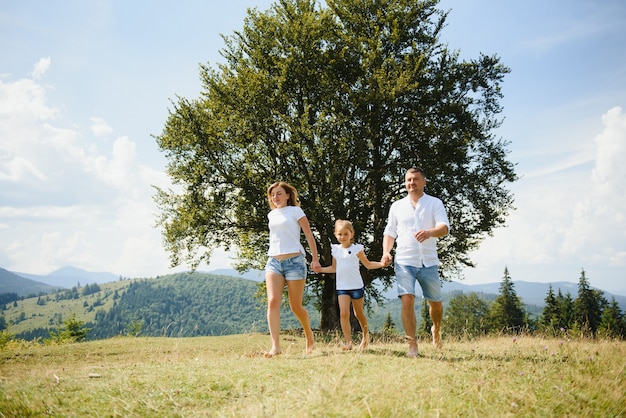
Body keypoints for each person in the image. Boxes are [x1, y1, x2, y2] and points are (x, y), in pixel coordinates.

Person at [381, 167, 450, 357]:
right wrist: (386, 252)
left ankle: (436, 329)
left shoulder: (434, 203)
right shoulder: (397, 206)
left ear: (424, 182)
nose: (412, 183)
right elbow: (389, 232)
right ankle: (412, 345)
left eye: (416, 179)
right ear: (405, 183)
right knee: (407, 300)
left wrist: (430, 232)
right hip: (404, 260)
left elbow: (444, 228)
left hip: (428, 261)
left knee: (435, 304)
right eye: (409, 180)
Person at [264, 181, 320, 357]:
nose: (275, 197)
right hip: (274, 261)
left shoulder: (296, 211)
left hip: (295, 262)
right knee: (273, 301)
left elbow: (309, 235)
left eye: (279, 193)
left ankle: (309, 336)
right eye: (273, 194)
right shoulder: (271, 215)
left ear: (288, 195)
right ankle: (275, 347)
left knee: (296, 306)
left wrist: (315, 259)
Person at [315, 220, 388, 350]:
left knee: (358, 313)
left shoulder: (357, 249)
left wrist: (381, 264)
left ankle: (366, 337)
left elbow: (368, 264)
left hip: (356, 286)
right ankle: (348, 342)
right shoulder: (336, 250)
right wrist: (320, 269)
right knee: (343, 313)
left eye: (345, 234)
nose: (342, 237)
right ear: (336, 235)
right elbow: (334, 268)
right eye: (339, 234)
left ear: (351, 234)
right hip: (342, 287)